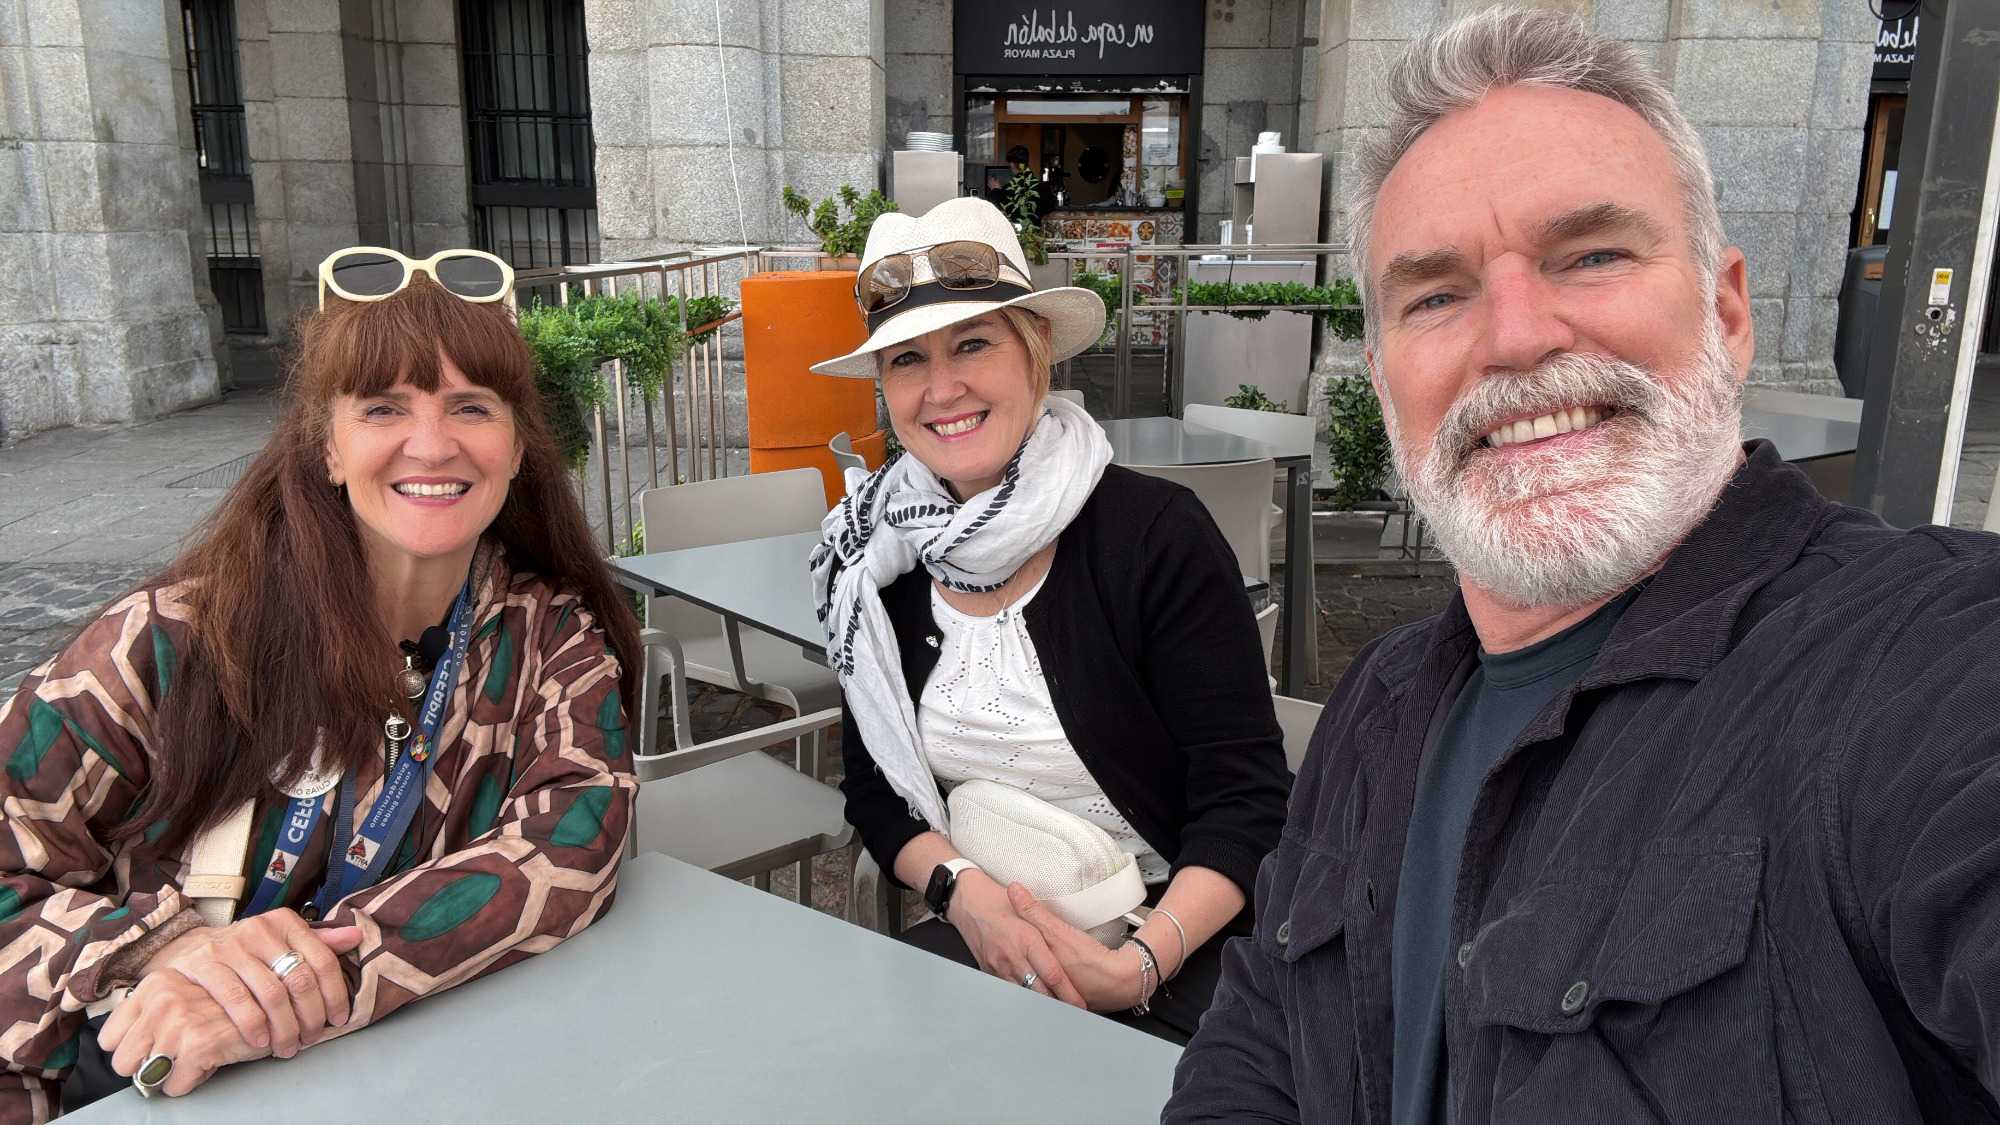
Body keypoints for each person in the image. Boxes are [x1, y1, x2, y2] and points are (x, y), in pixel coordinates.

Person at [1169, 8, 2000, 1123]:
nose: (1515, 337)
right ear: (1382, 379)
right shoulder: (1379, 700)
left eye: (1592, 255)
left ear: (1726, 312)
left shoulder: (1921, 668)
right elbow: (1261, 1031)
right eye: (1436, 295)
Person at [0, 255, 640, 1119]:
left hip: (418, 1085)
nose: (432, 443)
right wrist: (161, 950)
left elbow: (574, 842)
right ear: (327, 448)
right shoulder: (170, 639)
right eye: (383, 407)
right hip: (152, 1084)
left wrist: (304, 975)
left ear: (517, 448)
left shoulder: (549, 636)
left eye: (470, 407)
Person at [809, 197, 1289, 1043]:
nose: (942, 389)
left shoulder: (1155, 538)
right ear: (885, 388)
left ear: (1034, 351)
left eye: (972, 343)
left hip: (1187, 937)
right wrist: (966, 895)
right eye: (908, 359)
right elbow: (876, 792)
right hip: (988, 928)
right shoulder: (875, 557)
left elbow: (1246, 800)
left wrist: (1138, 964)